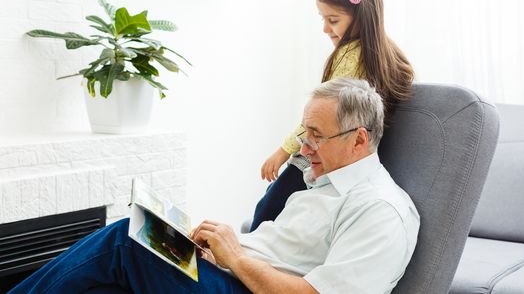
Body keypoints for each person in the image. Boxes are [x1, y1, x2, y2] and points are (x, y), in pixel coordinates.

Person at [10, 78, 419, 294]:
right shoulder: (324, 186)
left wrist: (237, 258)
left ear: (359, 139)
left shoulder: (380, 210)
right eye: (303, 133)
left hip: (241, 286)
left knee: (127, 238)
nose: (303, 147)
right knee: (111, 275)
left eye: (315, 135)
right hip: (232, 274)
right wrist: (219, 250)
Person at [251, 0, 415, 231]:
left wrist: (282, 152)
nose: (326, 28)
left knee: (266, 214)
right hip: (343, 160)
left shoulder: (351, 55)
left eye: (334, 20)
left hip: (315, 155)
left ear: (362, 16)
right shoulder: (388, 56)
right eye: (322, 18)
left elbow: (319, 116)